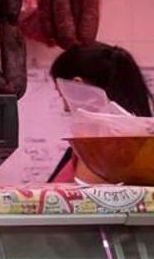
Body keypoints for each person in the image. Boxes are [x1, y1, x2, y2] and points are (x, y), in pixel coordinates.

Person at [48, 42, 154, 183]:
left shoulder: (101, 148)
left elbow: (84, 199)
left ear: (77, 85)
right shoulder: (141, 141)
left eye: (62, 95)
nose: (65, 108)